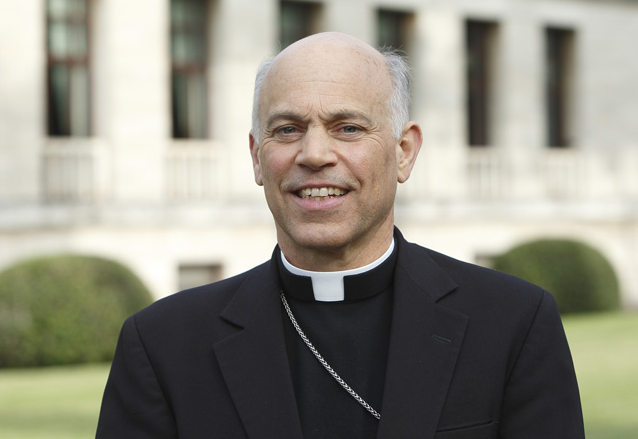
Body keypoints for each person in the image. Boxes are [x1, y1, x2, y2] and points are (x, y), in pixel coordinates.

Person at [95, 32, 584, 438]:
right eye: (287, 129)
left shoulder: (512, 325)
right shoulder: (162, 346)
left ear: (405, 152)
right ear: (256, 157)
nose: (313, 154)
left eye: (347, 128)